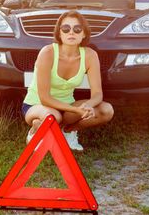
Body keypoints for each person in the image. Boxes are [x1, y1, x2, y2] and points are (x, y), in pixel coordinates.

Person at [21, 10, 114, 151]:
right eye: (66, 28)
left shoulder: (90, 55)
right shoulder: (48, 53)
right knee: (53, 116)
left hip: (67, 108)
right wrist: (76, 110)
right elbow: (45, 98)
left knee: (106, 110)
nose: (71, 32)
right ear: (59, 33)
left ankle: (68, 131)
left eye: (77, 29)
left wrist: (89, 105)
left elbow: (97, 94)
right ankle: (35, 130)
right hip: (37, 105)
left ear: (84, 34)